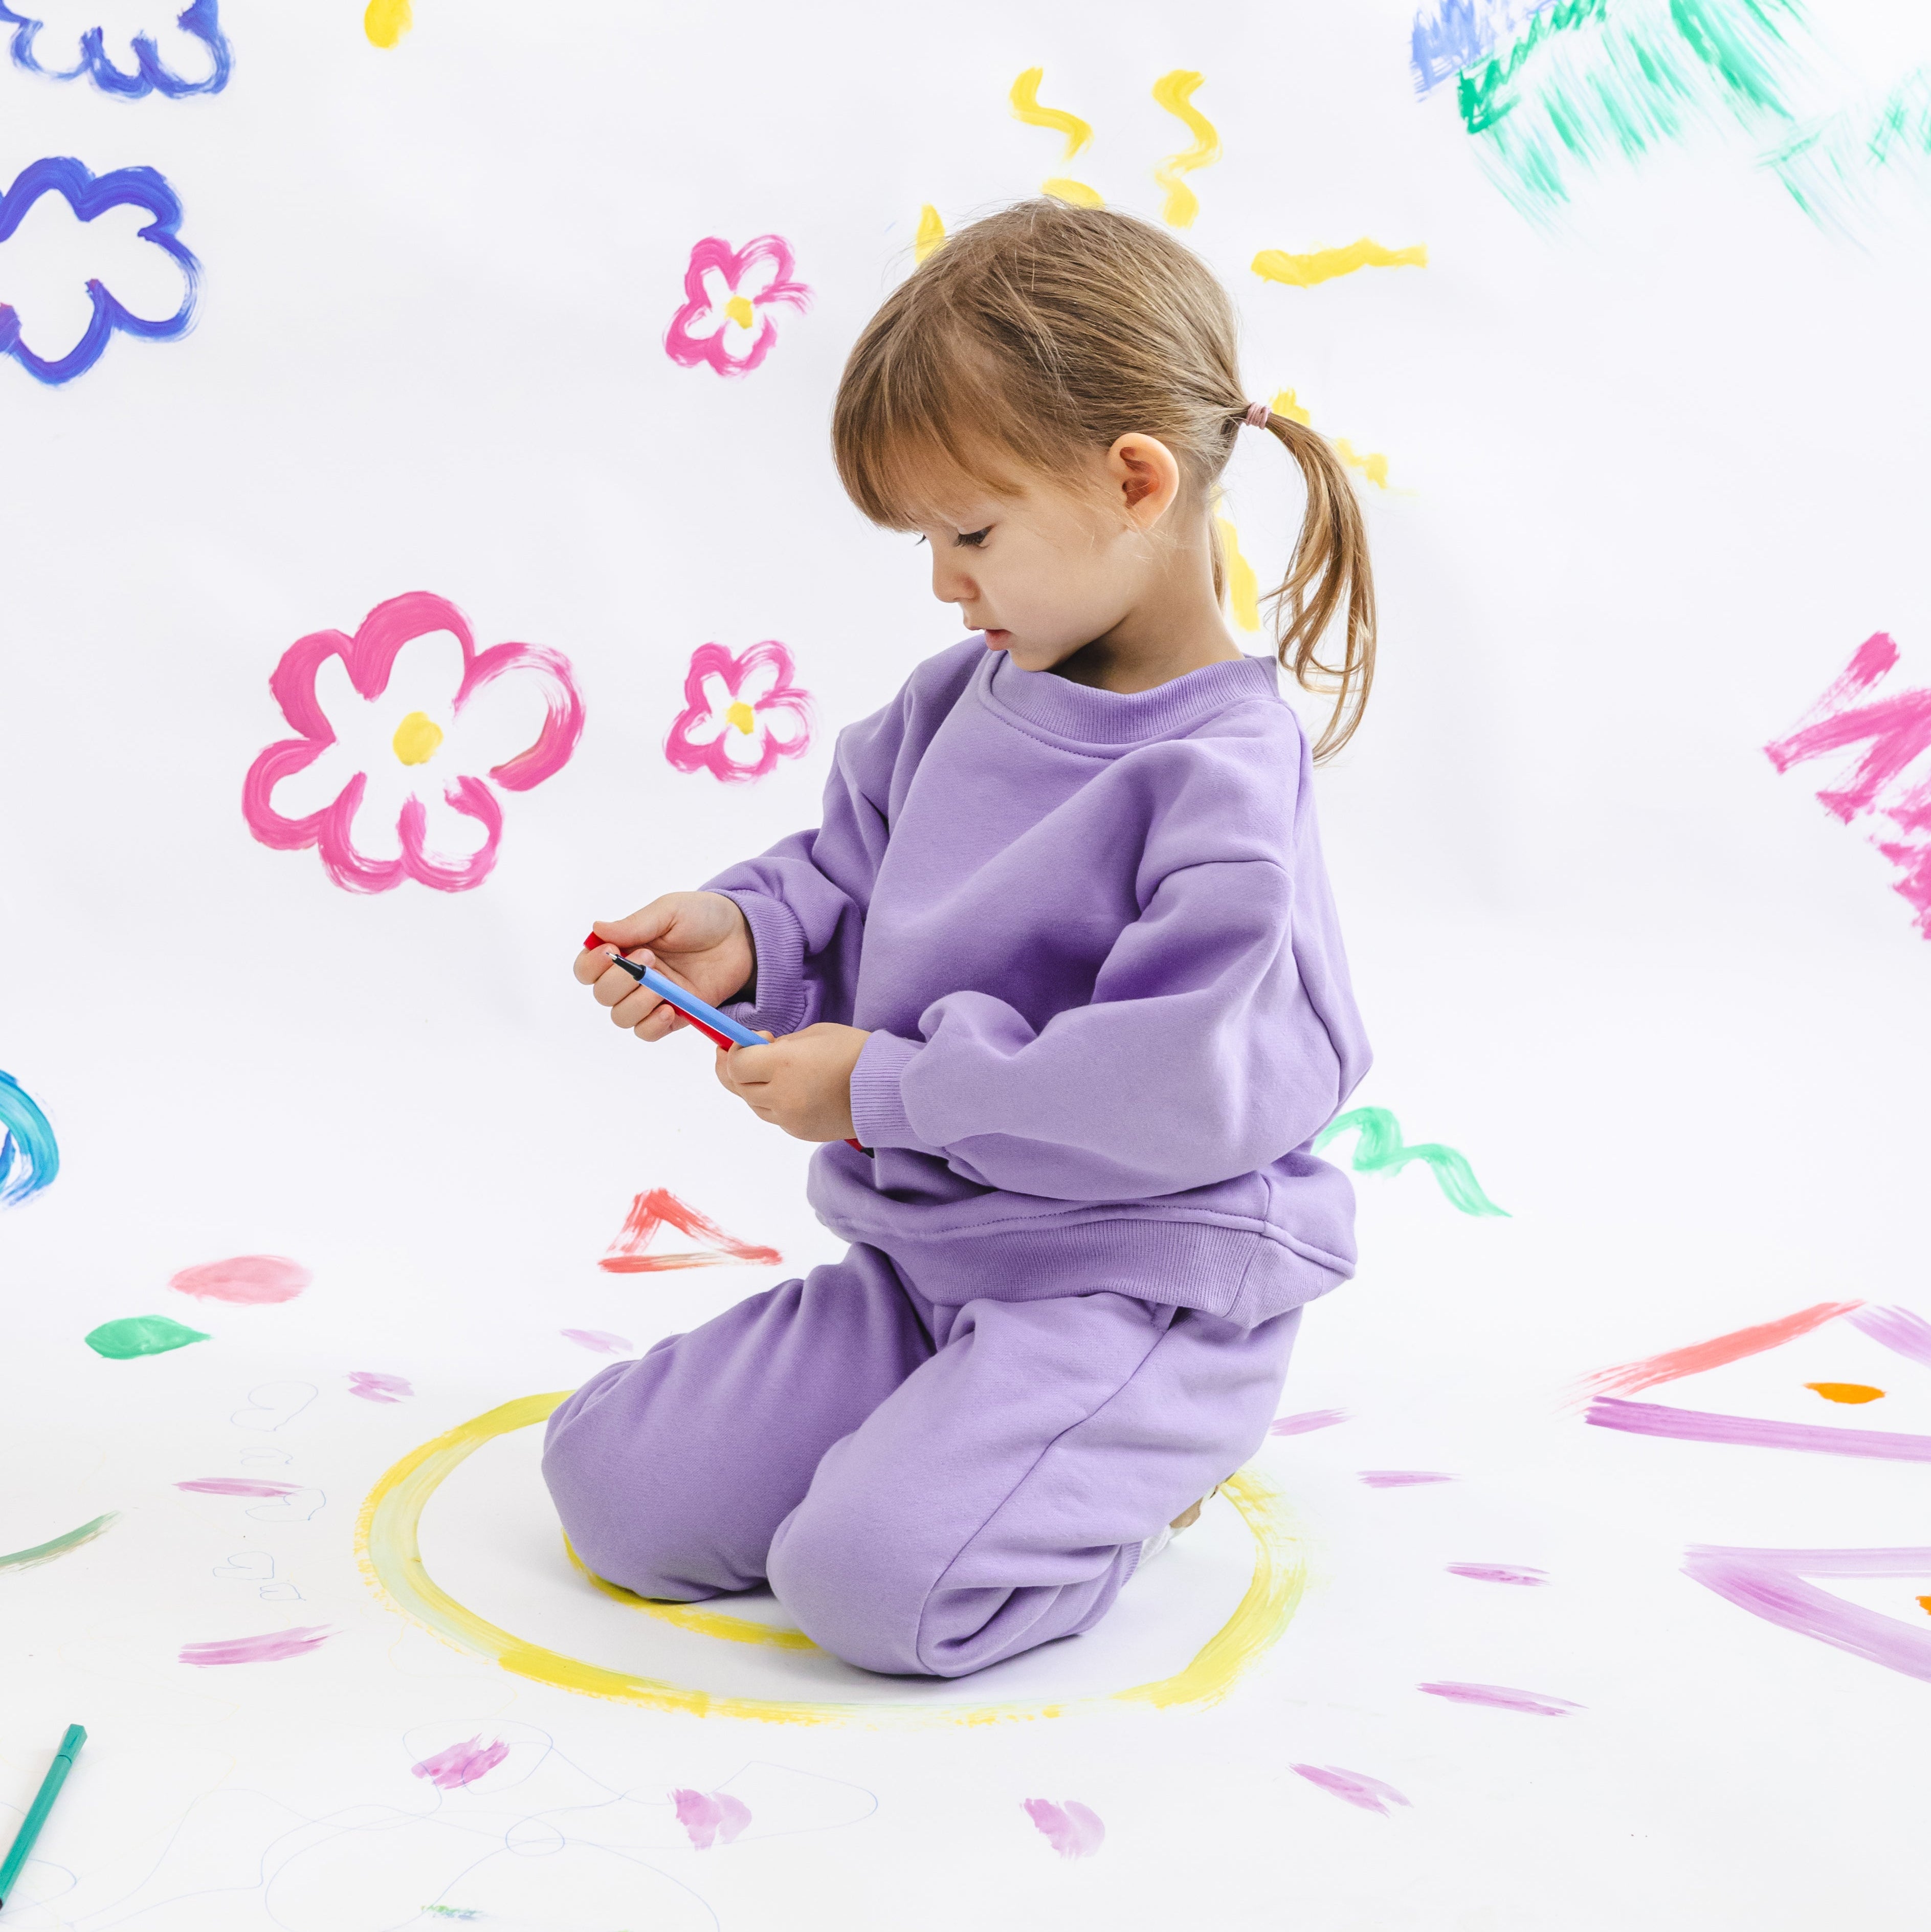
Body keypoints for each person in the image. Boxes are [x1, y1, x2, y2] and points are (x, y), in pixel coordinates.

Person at [544, 198, 1374, 1679]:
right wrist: (746, 935)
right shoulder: (953, 703)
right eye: (928, 538)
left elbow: (1171, 1079)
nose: (944, 579)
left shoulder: (1224, 779)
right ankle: (961, 1432)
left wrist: (884, 1090)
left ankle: (1135, 1460)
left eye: (971, 532)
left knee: (872, 1590)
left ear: (1135, 482)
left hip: (1136, 1280)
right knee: (611, 1491)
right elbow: (846, 877)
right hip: (930, 1265)